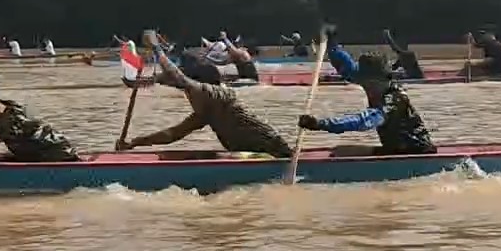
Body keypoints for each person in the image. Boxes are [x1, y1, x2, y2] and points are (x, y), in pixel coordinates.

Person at [117, 33, 291, 157]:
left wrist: (157, 48)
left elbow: (179, 78)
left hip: (274, 150)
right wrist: (134, 143)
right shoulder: (206, 111)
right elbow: (172, 134)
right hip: (253, 151)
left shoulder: (215, 94)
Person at [299, 49, 436, 155]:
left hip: (415, 150)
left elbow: (364, 121)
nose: (365, 86)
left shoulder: (394, 99)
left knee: (340, 152)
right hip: (395, 148)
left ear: (377, 80)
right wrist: (333, 45)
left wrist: (320, 124)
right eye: (363, 82)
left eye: (367, 83)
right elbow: (346, 68)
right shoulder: (375, 84)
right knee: (339, 151)